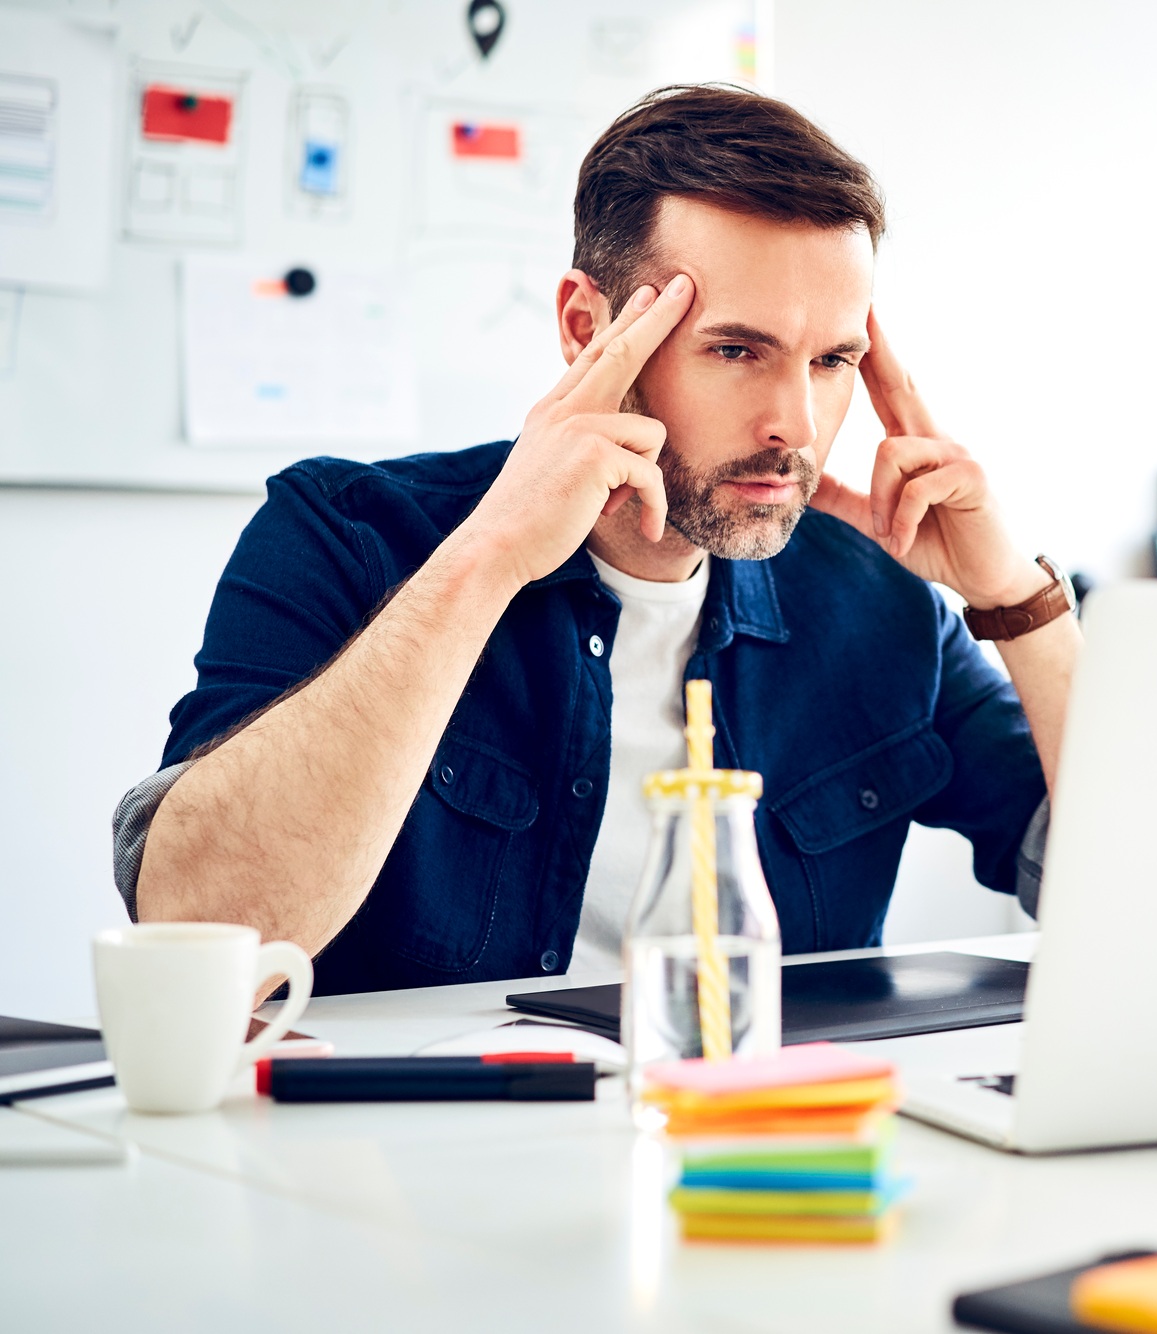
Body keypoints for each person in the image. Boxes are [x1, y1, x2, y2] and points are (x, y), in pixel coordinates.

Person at [111, 85, 1079, 994]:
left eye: (831, 360)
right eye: (735, 350)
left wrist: (1017, 604)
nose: (794, 420)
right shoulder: (345, 530)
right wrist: (486, 560)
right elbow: (204, 933)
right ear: (586, 325)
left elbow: (1138, 892)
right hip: (411, 1151)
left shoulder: (877, 598)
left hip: (759, 1143)